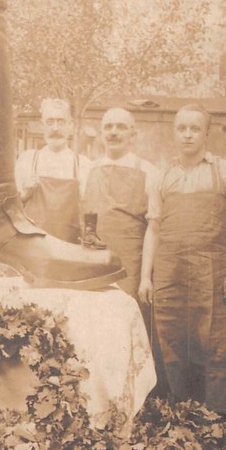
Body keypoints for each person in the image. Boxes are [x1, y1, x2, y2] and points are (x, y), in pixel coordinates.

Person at [138, 104, 226, 417]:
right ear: (174, 133)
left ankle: (222, 416)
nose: (188, 135)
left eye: (195, 129)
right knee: (172, 336)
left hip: (212, 271)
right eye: (182, 128)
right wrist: (146, 277)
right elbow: (154, 228)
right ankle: (182, 411)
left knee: (218, 338)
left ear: (206, 133)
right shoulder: (163, 176)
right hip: (171, 272)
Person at [83, 107, 158, 327]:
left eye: (121, 127)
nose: (114, 132)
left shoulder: (148, 171)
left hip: (131, 267)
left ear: (133, 135)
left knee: (129, 323)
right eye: (108, 127)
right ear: (100, 133)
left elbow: (155, 229)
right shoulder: (88, 170)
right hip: (93, 265)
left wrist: (145, 277)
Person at [15, 99, 91, 243]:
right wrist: (25, 195)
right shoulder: (27, 160)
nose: (55, 128)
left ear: (71, 125)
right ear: (42, 125)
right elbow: (10, 211)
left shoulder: (83, 165)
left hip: (68, 249)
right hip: (33, 248)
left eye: (61, 122)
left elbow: (90, 214)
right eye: (50, 122)